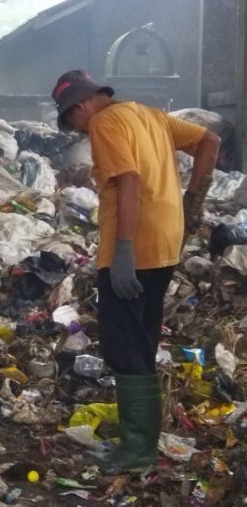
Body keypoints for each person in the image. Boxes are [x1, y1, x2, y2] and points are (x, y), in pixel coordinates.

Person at [51, 70, 220, 471]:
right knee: (142, 337)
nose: (79, 129)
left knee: (123, 343)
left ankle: (139, 449)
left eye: (73, 120)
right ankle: (139, 432)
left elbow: (128, 180)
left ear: (80, 106)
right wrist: (192, 201)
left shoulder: (104, 123)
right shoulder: (149, 115)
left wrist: (123, 250)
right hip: (166, 241)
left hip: (135, 245)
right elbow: (209, 142)